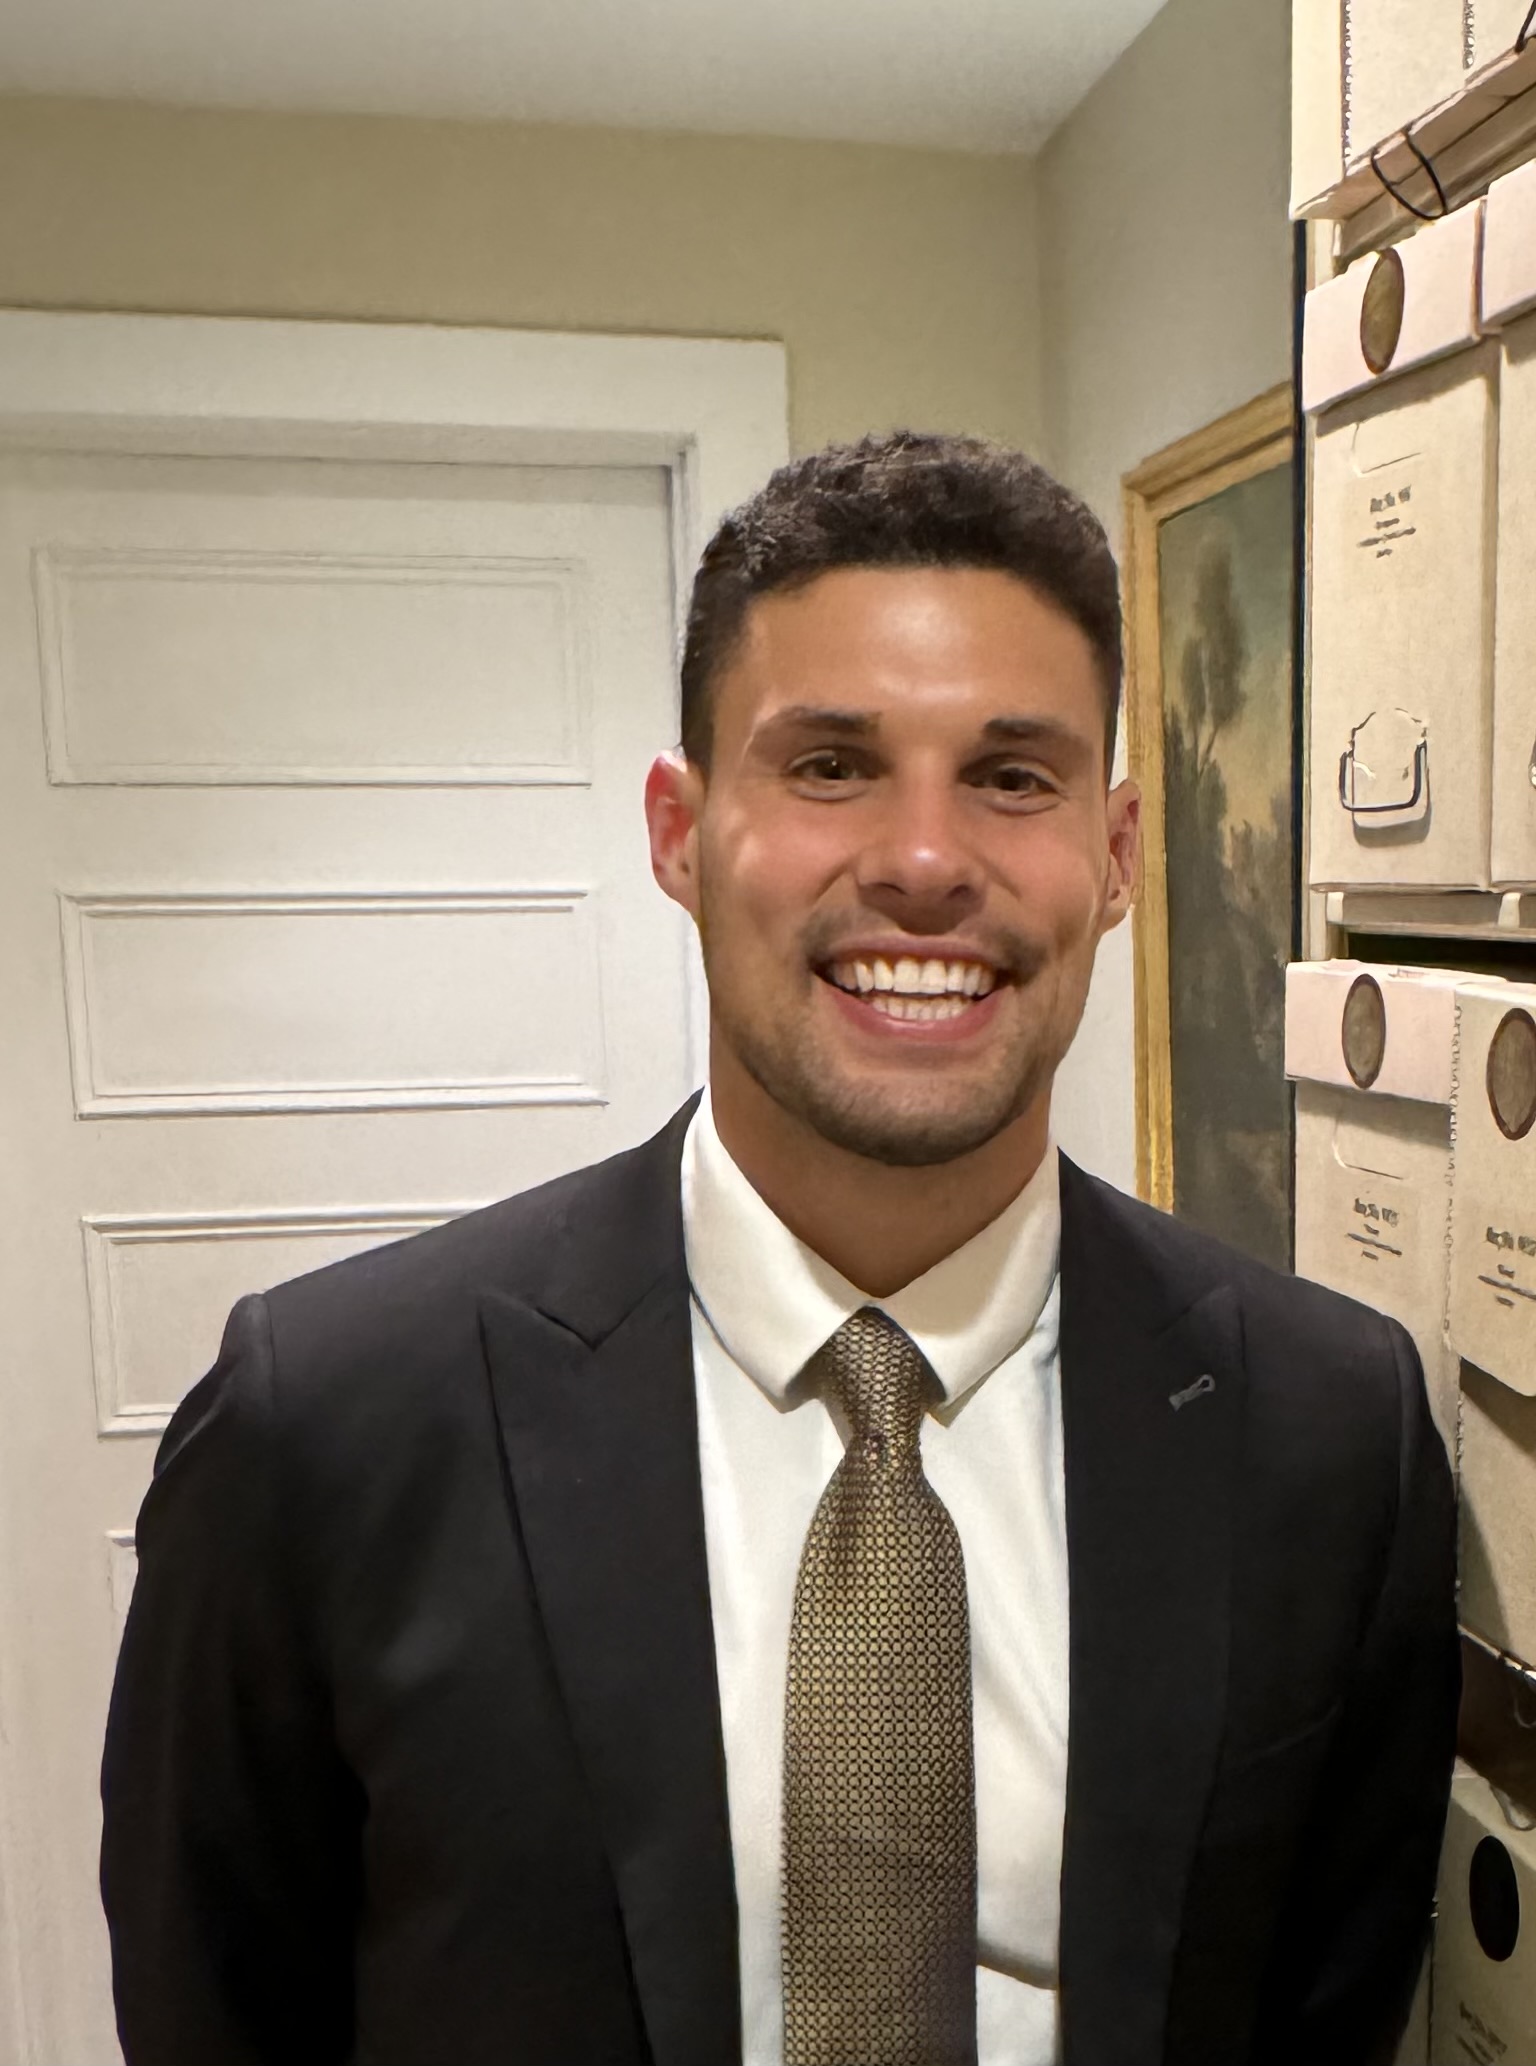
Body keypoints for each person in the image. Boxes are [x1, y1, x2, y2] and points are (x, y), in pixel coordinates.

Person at [101, 431, 1458, 2066]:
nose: (926, 860)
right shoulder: (323, 1430)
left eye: (1011, 776)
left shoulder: (1323, 1433)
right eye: (829, 765)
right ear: (682, 833)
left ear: (1110, 860)